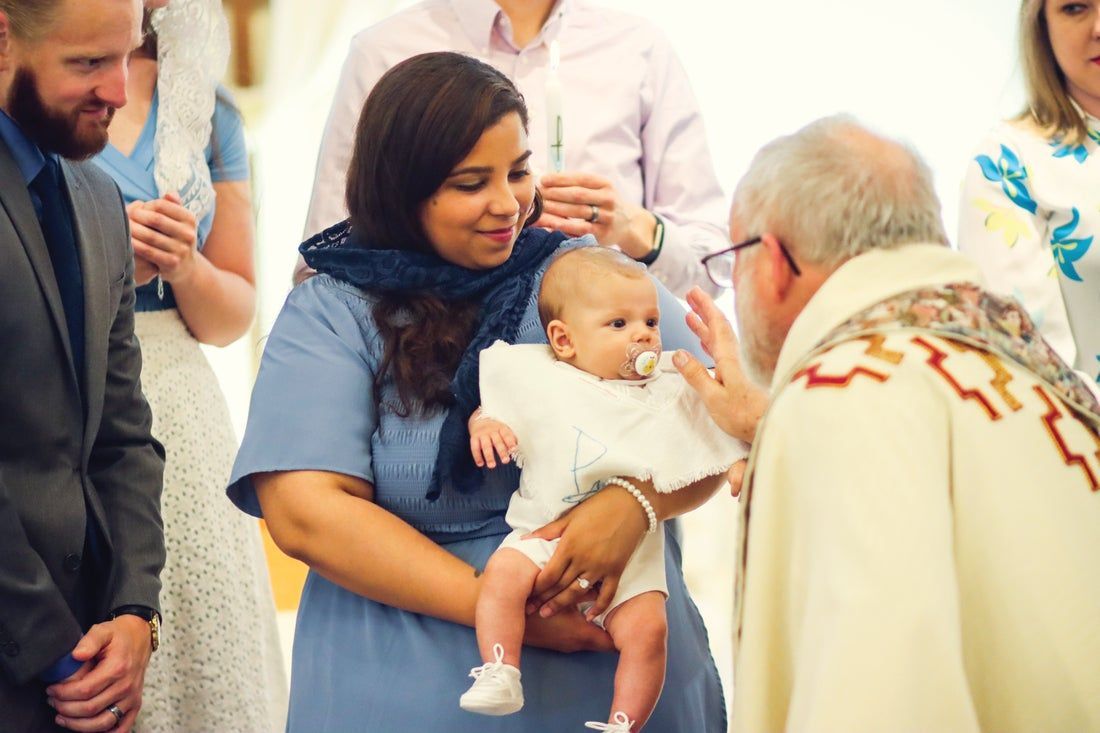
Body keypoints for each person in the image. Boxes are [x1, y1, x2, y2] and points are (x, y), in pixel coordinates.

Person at [227, 52, 744, 732]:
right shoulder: (332, 309)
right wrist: (504, 605)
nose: (508, 204)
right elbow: (306, 513)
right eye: (472, 183)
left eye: (519, 171)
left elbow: (719, 415)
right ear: (401, 190)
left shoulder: (585, 277)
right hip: (404, 687)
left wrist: (636, 502)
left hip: (618, 677)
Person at [674, 115, 1100, 732]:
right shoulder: (1042, 381)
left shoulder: (846, 391)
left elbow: (882, 691)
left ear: (773, 262)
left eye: (730, 259)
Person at [87, 0, 287, 729]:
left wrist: (185, 265)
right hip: (69, 378)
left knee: (203, 626)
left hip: (178, 385)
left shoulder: (207, 105)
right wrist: (107, 259)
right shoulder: (43, 90)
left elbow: (233, 313)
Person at [460, 247, 746, 732]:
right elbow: (493, 406)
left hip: (633, 555)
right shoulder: (538, 376)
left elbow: (716, 428)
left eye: (651, 322)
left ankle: (623, 723)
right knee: (502, 576)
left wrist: (736, 459)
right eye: (619, 324)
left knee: (650, 632)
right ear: (564, 340)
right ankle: (501, 669)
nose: (643, 335)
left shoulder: (669, 387)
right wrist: (483, 426)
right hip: (541, 534)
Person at [297, 0, 728, 295]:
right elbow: (326, 259)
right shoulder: (386, 50)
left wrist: (635, 230)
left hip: (614, 372)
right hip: (432, 367)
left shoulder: (637, 48)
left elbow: (714, 269)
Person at [0, 1, 167, 732]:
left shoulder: (100, 199)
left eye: (126, 56)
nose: (121, 92)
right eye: (88, 64)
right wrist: (54, 652)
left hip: (95, 652)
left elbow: (124, 434)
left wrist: (135, 615)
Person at [958, 0, 1100, 385]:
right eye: (1075, 8)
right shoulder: (1007, 163)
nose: (1099, 27)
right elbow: (1031, 369)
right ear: (1041, 28)